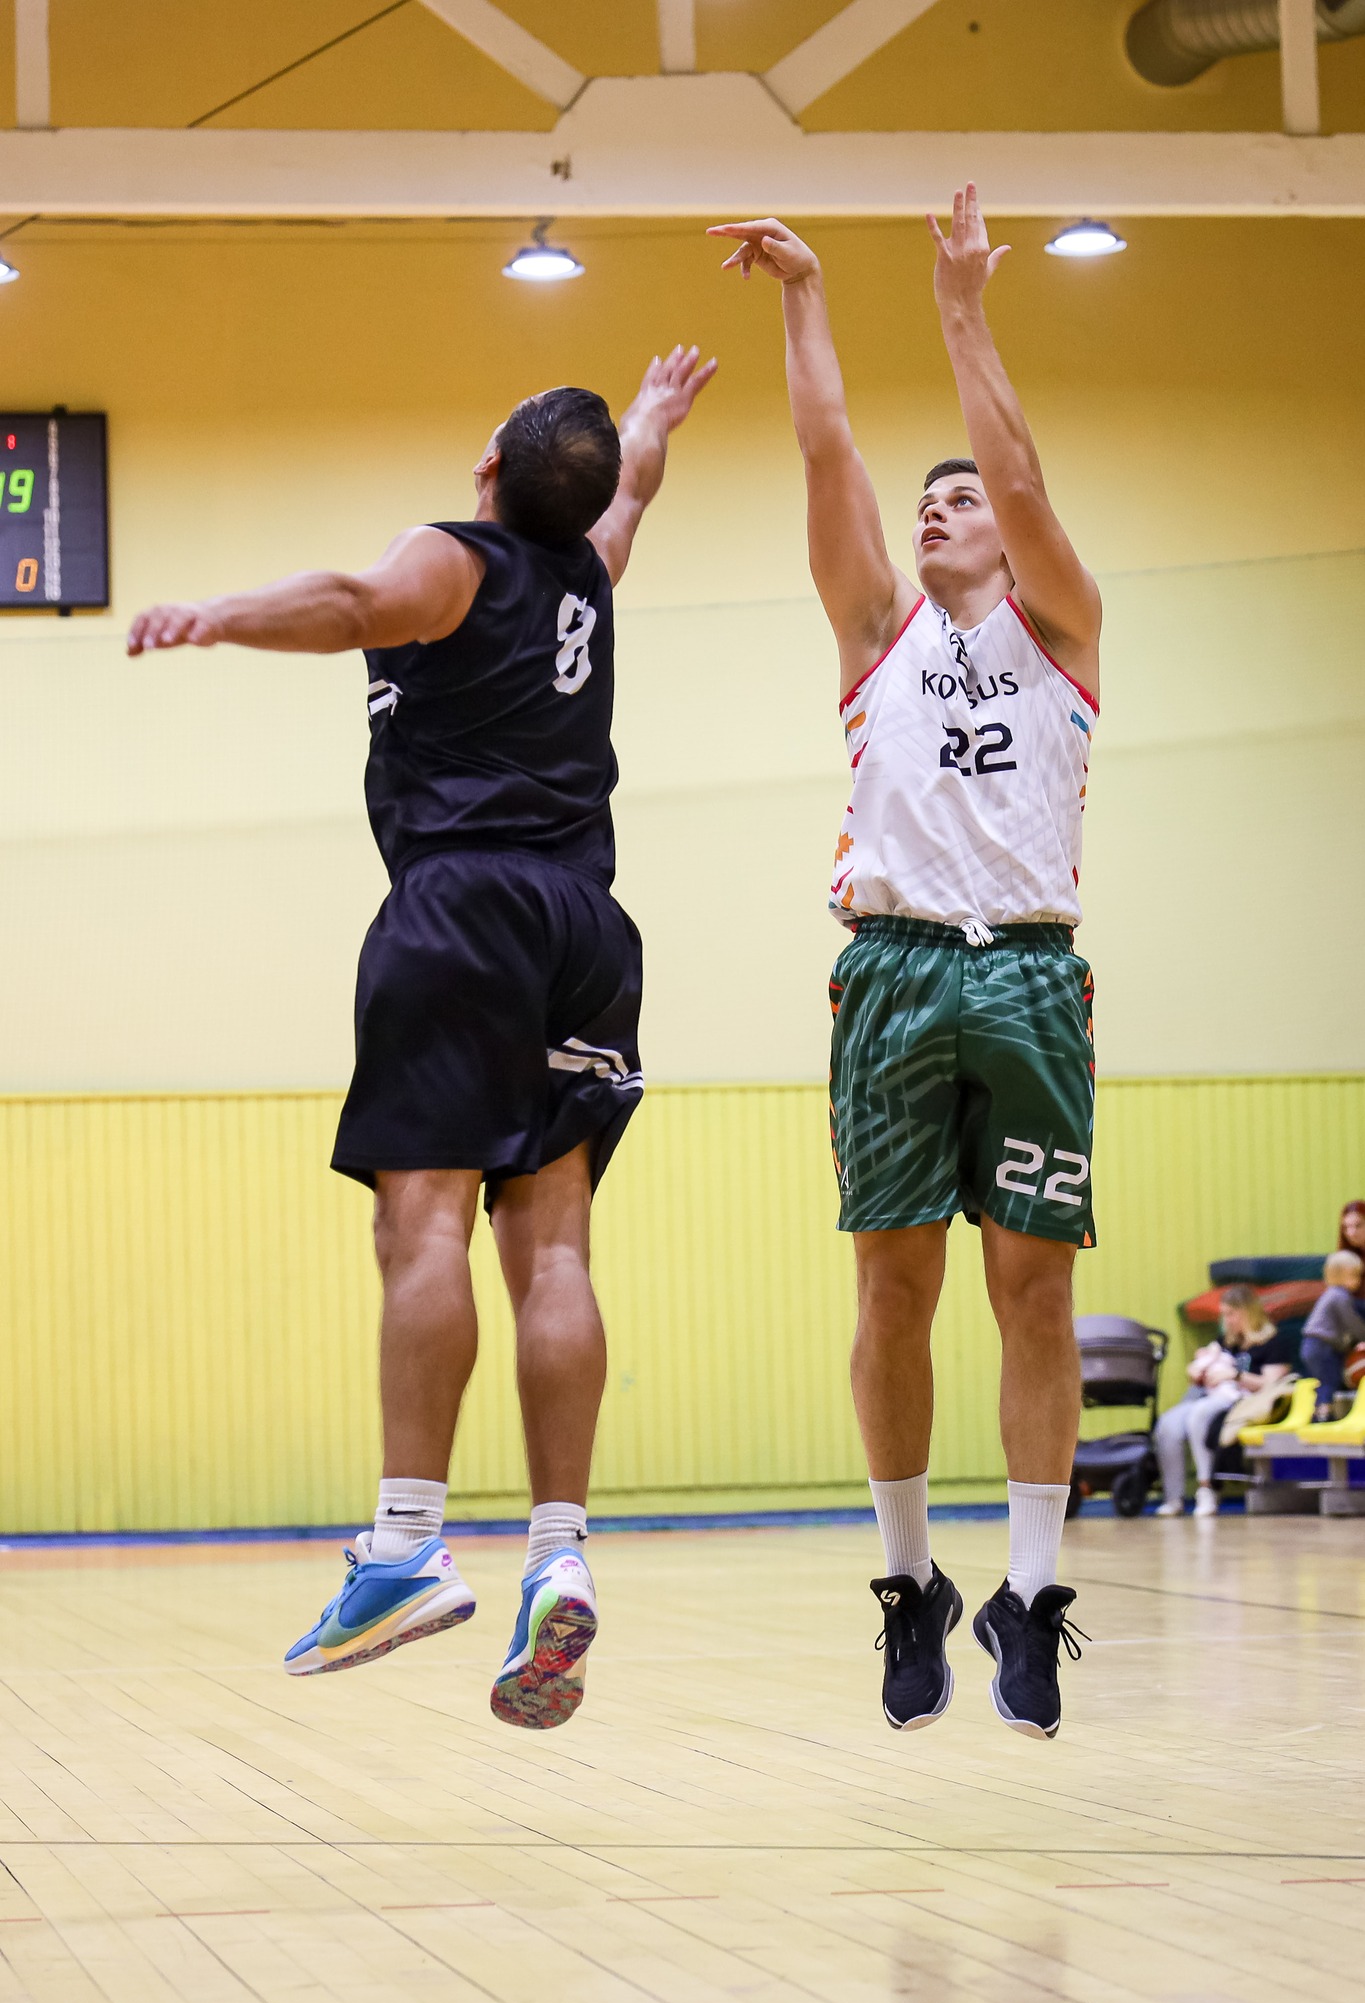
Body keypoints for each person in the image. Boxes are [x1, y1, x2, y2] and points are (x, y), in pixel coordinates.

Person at [126, 350, 717, 1728]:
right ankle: (559, 1552)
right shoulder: (588, 573)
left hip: (463, 907)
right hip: (587, 928)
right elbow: (628, 492)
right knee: (554, 1246)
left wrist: (212, 616)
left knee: (424, 1222)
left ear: (489, 468)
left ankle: (404, 1545)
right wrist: (650, 421)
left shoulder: (459, 558)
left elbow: (351, 603)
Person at [709, 187, 1100, 1741]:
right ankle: (908, 1581)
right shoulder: (877, 629)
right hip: (891, 969)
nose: (937, 509)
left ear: (1010, 527)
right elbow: (827, 456)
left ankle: (1032, 1594)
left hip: (1029, 977)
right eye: (925, 499)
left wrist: (959, 307)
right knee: (894, 1283)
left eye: (961, 498)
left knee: (1034, 1288)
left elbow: (1018, 469)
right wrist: (803, 295)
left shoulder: (1061, 627)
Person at [1154, 1285, 1297, 1517]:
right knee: (1167, 1424)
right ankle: (1173, 1498)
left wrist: (1235, 1375)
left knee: (1200, 1414)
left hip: (1247, 1401)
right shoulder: (1227, 1341)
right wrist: (1198, 1371)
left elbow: (1272, 1385)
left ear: (1248, 1312)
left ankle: (1207, 1488)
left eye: (1231, 1314)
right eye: (1224, 1315)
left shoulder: (1273, 1342)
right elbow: (1208, 1366)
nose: (1226, 1321)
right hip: (1214, 1395)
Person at [1300, 1250, 1365, 1415]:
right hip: (1323, 1345)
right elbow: (1351, 1322)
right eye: (1355, 1276)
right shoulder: (1340, 1296)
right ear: (1341, 1276)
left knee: (1323, 1379)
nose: (1359, 1281)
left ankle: (1318, 1410)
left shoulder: (1330, 1294)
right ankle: (1324, 1411)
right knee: (1330, 1378)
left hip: (1310, 1344)